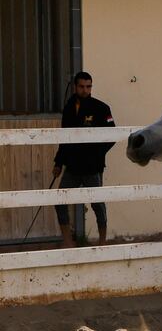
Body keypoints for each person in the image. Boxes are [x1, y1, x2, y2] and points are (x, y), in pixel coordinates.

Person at [53, 71, 116, 247]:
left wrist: (97, 154)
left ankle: (102, 242)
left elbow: (113, 135)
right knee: (59, 201)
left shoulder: (101, 108)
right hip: (72, 167)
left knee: (98, 205)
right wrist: (58, 163)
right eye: (82, 86)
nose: (85, 90)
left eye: (88, 87)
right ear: (75, 86)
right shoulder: (68, 108)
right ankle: (68, 241)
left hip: (92, 167)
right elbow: (64, 138)